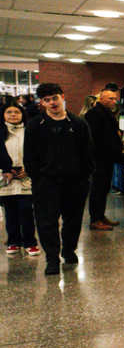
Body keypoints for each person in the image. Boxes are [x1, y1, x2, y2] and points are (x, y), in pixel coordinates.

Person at [24, 83, 95, 275]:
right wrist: (37, 178)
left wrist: (85, 177)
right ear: (42, 102)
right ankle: (52, 258)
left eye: (54, 98)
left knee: (72, 220)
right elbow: (29, 156)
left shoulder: (78, 123)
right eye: (46, 100)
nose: (52, 103)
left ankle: (68, 250)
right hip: (46, 182)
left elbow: (87, 153)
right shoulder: (34, 125)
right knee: (47, 222)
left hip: (74, 181)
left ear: (62, 97)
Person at [0, 103, 40, 257]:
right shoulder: (2, 133)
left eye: (16, 112)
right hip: (6, 179)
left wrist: (28, 169)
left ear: (22, 114)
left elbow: (36, 153)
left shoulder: (29, 131)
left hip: (26, 177)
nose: (12, 115)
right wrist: (5, 169)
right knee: (10, 213)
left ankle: (30, 242)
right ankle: (13, 241)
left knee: (26, 211)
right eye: (8, 112)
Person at [84, 88, 124, 231]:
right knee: (98, 188)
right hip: (99, 158)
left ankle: (100, 216)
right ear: (101, 99)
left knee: (104, 188)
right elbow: (95, 138)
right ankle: (95, 219)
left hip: (107, 157)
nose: (113, 101)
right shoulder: (95, 114)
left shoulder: (106, 113)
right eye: (110, 99)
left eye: (114, 98)